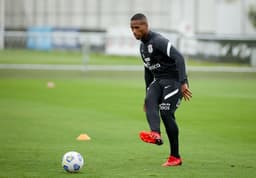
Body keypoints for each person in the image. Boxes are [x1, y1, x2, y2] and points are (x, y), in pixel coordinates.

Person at [130, 13, 192, 166]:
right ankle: (155, 134)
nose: (134, 31)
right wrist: (147, 96)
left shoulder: (158, 41)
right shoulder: (142, 47)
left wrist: (183, 82)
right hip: (159, 81)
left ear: (146, 26)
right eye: (131, 28)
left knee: (165, 112)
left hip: (175, 80)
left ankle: (175, 157)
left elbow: (179, 58)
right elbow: (147, 71)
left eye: (137, 27)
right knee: (150, 99)